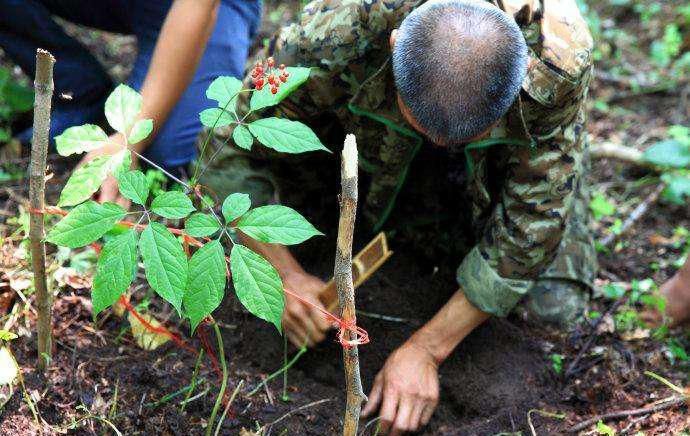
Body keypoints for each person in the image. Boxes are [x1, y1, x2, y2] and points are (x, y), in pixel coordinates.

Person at [201, 0, 596, 433]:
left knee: (552, 308)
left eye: (463, 136)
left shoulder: (556, 62)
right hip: (361, 142)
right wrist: (284, 274)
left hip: (499, 164)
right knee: (306, 220)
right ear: (394, 45)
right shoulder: (336, 32)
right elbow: (228, 141)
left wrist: (427, 349)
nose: (441, 143)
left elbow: (532, 222)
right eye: (422, 125)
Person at [0, 0, 261, 206]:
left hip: (197, 7)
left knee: (171, 155)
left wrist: (128, 140)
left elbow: (195, 6)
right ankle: (80, 92)